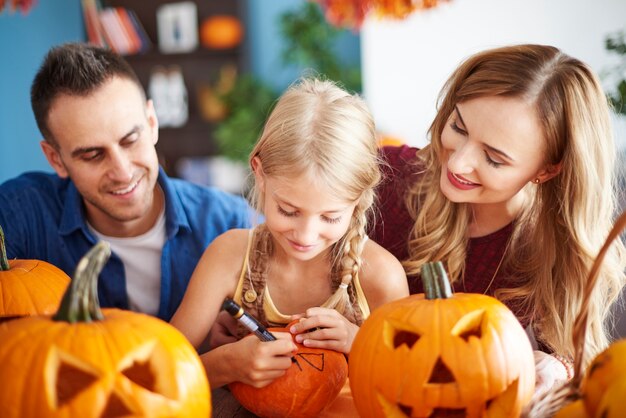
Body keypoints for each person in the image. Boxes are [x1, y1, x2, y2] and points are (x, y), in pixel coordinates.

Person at [371, 44, 626, 396]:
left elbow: (575, 362)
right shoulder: (381, 178)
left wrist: (560, 368)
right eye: (458, 127)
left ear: (547, 170)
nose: (458, 163)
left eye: (493, 159)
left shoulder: (548, 250)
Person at [170, 77, 408, 415]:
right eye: (288, 211)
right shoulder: (230, 256)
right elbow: (160, 369)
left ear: (358, 200)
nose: (306, 235)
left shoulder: (379, 276)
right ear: (259, 172)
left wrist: (360, 344)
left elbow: (410, 384)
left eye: (330, 217)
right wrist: (226, 364)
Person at [0, 43, 253, 321]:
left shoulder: (232, 222)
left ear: (152, 122)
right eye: (93, 155)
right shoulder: (17, 216)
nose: (122, 171)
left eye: (130, 140)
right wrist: (214, 365)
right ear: (55, 159)